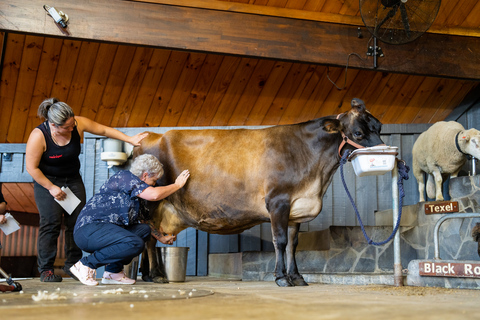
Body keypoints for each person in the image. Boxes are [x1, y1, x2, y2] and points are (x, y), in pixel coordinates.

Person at [26, 98, 148, 283]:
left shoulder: (77, 123)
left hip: (72, 180)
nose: (72, 129)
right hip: (47, 182)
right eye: (67, 127)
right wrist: (51, 188)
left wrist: (129, 139)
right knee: (50, 225)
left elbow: (104, 130)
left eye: (72, 124)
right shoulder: (39, 136)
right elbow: (31, 168)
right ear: (53, 125)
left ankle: (73, 266)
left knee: (76, 223)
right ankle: (46, 270)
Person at [70, 154, 189, 286]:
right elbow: (154, 195)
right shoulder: (124, 177)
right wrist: (177, 185)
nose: (154, 185)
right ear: (145, 175)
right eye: (154, 181)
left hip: (108, 231)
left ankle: (113, 273)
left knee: (144, 231)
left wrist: (161, 237)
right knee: (135, 243)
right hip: (89, 230)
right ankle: (85, 264)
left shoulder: (138, 197)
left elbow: (145, 223)